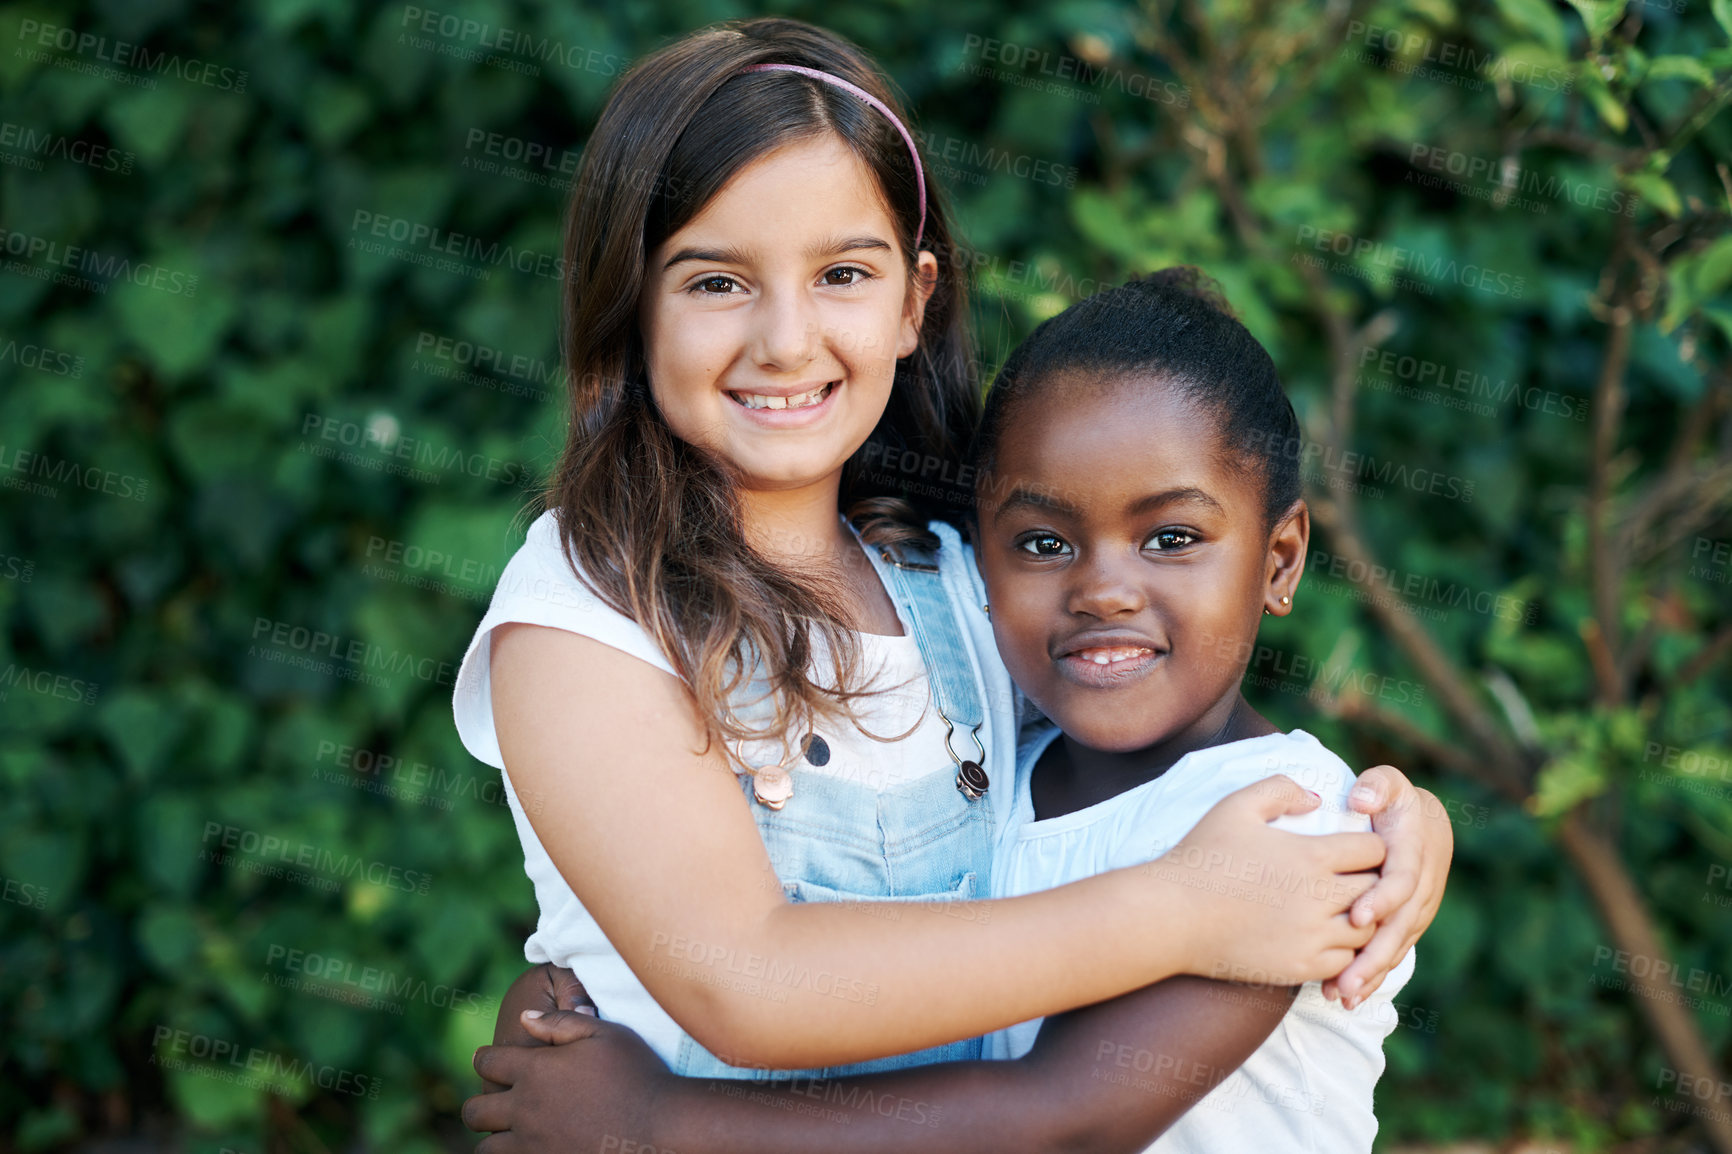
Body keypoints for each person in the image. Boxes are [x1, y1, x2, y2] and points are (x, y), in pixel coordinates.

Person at [454, 14, 1451, 1133]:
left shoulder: (953, 579)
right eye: (715, 281)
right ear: (629, 302)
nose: (785, 339)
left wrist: (1397, 822)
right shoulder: (586, 614)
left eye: (841, 272)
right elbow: (744, 977)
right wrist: (1183, 909)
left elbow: (1153, 750)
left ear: (913, 302)